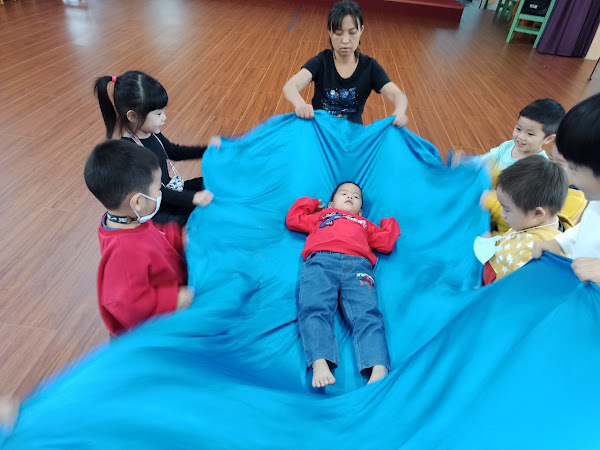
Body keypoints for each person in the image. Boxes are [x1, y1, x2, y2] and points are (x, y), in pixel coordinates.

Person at [286, 182, 400, 387]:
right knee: (314, 309)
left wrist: (389, 223)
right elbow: (294, 219)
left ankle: (378, 366)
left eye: (356, 196)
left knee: (367, 315)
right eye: (344, 193)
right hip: (321, 262)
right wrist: (312, 204)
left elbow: (386, 243)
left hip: (359, 267)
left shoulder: (364, 223)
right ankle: (320, 362)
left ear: (361, 211)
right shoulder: (324, 215)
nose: (350, 197)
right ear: (331, 204)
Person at [84, 140, 198, 335]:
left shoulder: (129, 219)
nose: (160, 194)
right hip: (154, 328)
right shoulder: (123, 252)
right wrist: (178, 298)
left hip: (168, 285)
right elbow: (129, 307)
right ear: (137, 202)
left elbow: (154, 237)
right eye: (157, 189)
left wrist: (178, 237)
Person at [94, 71, 215, 226]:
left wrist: (207, 150)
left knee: (209, 183)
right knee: (186, 221)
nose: (164, 118)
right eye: (158, 114)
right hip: (157, 207)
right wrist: (193, 198)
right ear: (133, 116)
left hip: (172, 190)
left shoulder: (151, 133)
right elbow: (156, 192)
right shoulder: (130, 153)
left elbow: (174, 152)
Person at [283, 0, 408, 126]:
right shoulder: (321, 62)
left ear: (361, 30)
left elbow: (397, 95)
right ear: (330, 31)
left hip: (352, 133)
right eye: (338, 33)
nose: (345, 40)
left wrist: (399, 111)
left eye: (352, 32)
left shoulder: (369, 67)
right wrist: (300, 104)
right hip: (321, 130)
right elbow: (290, 86)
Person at [532, 93, 600, 284]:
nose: (569, 176)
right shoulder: (596, 201)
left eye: (575, 169)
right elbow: (586, 229)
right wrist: (560, 242)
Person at [473, 155, 568, 284]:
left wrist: (483, 291)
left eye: (507, 210)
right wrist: (496, 240)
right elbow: (514, 239)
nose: (502, 214)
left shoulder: (531, 252)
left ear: (537, 213)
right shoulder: (532, 222)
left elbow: (513, 288)